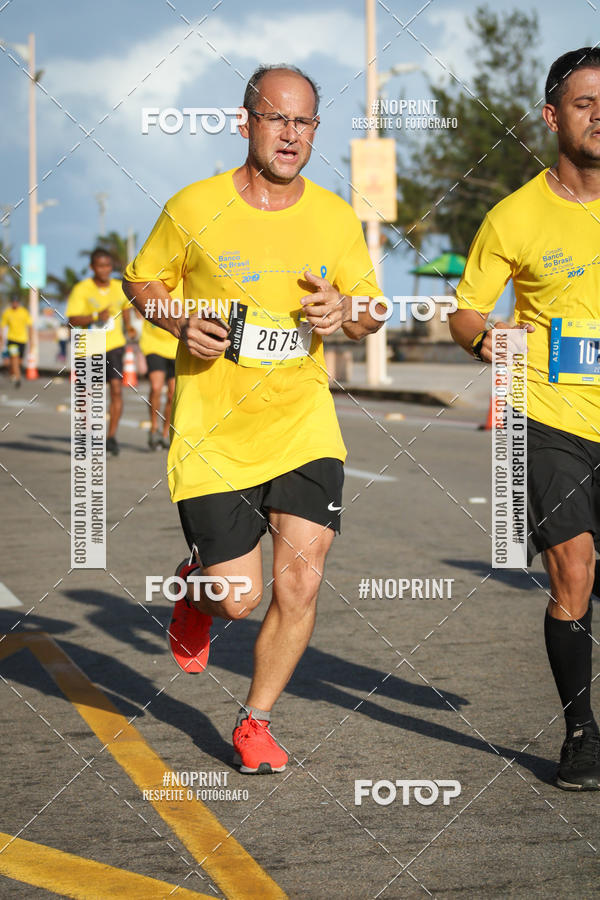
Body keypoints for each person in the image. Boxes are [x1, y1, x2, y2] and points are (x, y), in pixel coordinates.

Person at [123, 64, 386, 774]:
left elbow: (370, 307)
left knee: (301, 580)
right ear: (246, 123)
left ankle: (256, 720)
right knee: (237, 600)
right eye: (277, 118)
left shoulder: (333, 216)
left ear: (315, 132)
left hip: (303, 424)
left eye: (304, 122)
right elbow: (142, 277)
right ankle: (195, 589)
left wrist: (346, 313)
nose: (290, 134)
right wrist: (177, 317)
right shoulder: (193, 205)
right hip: (214, 433)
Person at [449, 47, 600, 791]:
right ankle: (580, 732)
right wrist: (487, 338)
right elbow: (467, 309)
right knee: (573, 569)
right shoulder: (513, 215)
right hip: (549, 413)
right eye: (584, 102)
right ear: (552, 116)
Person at [67, 248, 135, 456]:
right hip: (91, 344)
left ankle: (111, 437)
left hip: (114, 345)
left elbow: (125, 309)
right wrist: (95, 316)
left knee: (116, 389)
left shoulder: (118, 287)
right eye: (100, 266)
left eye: (108, 265)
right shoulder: (82, 289)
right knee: (87, 396)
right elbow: (72, 319)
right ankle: (88, 436)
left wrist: (129, 325)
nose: (104, 270)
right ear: (92, 267)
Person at [139, 282, 180, 450]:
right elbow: (134, 304)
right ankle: (153, 427)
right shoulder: (152, 284)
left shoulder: (186, 285)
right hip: (153, 345)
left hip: (177, 347)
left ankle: (165, 433)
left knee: (172, 395)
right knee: (156, 388)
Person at [1, 296, 32, 387]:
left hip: (22, 340)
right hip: (12, 339)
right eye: (13, 302)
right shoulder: (7, 312)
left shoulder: (24, 312)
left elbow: (30, 326)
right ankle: (18, 379)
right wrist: (1, 340)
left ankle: (12, 373)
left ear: (18, 303)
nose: (15, 304)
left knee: (19, 362)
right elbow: (2, 326)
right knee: (14, 359)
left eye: (16, 302)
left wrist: (31, 340)